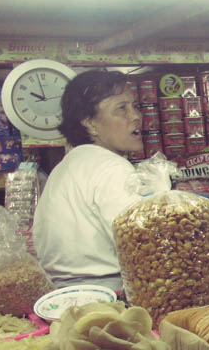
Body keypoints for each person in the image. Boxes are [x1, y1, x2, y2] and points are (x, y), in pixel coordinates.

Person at [33, 69, 144, 292]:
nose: (135, 116)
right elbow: (139, 244)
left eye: (135, 106)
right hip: (108, 296)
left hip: (61, 294)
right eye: (121, 108)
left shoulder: (64, 167)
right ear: (90, 123)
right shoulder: (111, 167)